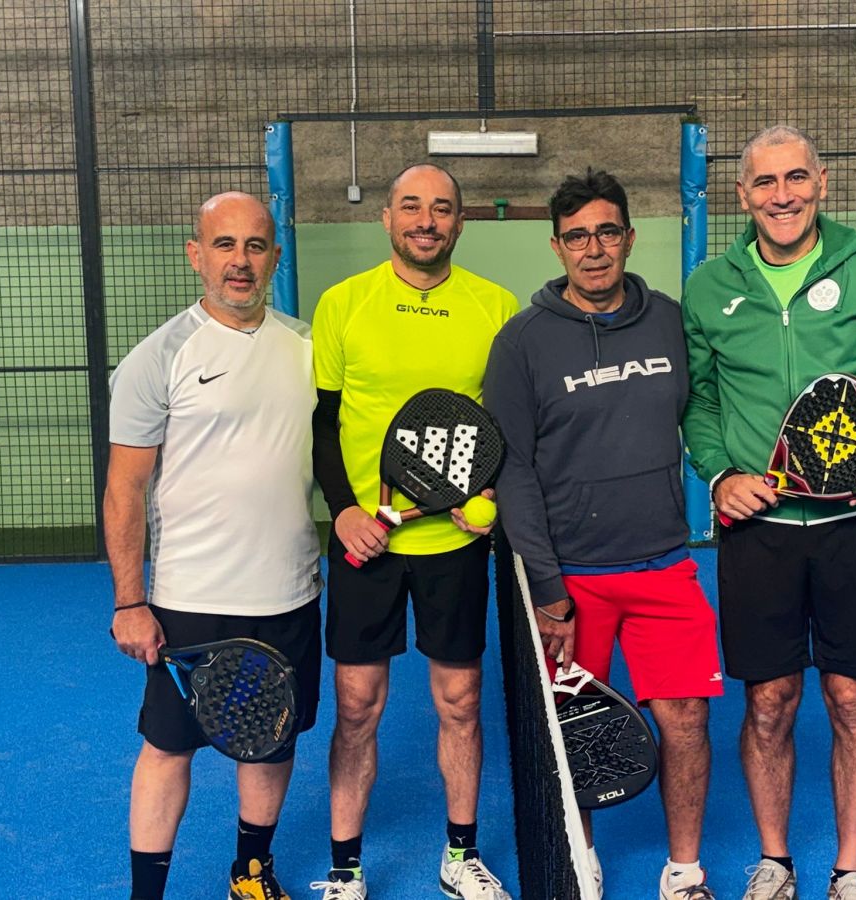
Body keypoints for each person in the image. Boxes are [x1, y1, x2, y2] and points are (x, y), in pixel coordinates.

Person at [682, 126, 856, 900]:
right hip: (758, 531)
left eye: (796, 178)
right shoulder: (709, 286)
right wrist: (720, 473)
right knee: (769, 702)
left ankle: (848, 870)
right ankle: (776, 863)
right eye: (765, 182)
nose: (782, 195)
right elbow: (699, 402)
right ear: (741, 195)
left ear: (822, 182)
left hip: (855, 527)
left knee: (852, 698)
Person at [484, 169, 724, 900]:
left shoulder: (670, 322)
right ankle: (582, 858)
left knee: (686, 719)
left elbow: (702, 413)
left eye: (607, 232)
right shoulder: (521, 342)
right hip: (573, 581)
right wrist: (547, 589)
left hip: (664, 567)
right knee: (575, 731)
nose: (594, 249)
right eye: (578, 237)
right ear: (557, 247)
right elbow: (513, 468)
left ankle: (684, 872)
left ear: (629, 237)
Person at [309, 163, 518, 900]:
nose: (425, 220)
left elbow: (504, 427)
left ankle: (461, 856)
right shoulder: (343, 304)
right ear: (387, 218)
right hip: (364, 543)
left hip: (453, 546)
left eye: (441, 208)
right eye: (411, 206)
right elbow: (324, 423)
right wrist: (344, 510)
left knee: (460, 702)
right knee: (356, 706)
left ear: (460, 222)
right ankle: (345, 869)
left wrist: (486, 492)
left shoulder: (496, 307)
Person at [105, 191, 321, 900]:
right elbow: (124, 490)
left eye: (255, 245)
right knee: (169, 747)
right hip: (190, 597)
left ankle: (251, 875)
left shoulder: (308, 347)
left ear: (275, 257)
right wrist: (130, 602)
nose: (240, 261)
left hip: (288, 591)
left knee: (273, 737)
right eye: (224, 244)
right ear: (195, 255)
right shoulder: (158, 357)